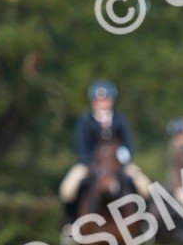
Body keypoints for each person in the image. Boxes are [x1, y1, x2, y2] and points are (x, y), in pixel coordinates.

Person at [59, 80, 152, 221]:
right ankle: (70, 226)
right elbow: (81, 145)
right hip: (89, 163)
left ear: (112, 101)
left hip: (118, 163)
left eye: (106, 100)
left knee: (146, 187)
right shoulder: (85, 121)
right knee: (67, 189)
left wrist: (123, 159)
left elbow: (128, 143)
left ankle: (144, 224)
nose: (102, 104)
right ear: (93, 102)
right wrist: (92, 164)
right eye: (98, 100)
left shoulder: (120, 120)